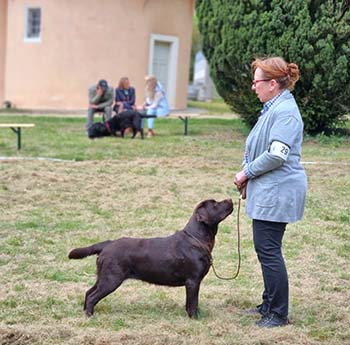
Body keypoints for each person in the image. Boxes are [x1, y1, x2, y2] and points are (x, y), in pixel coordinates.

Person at [234, 56, 307, 328]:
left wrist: (247, 172)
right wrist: (246, 170)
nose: (254, 87)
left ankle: (277, 313)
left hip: (278, 191)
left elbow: (277, 154)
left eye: (256, 83)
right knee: (266, 248)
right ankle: (268, 303)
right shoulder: (273, 108)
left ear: (273, 84)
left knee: (268, 249)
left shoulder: (286, 112)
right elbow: (257, 146)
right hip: (268, 190)